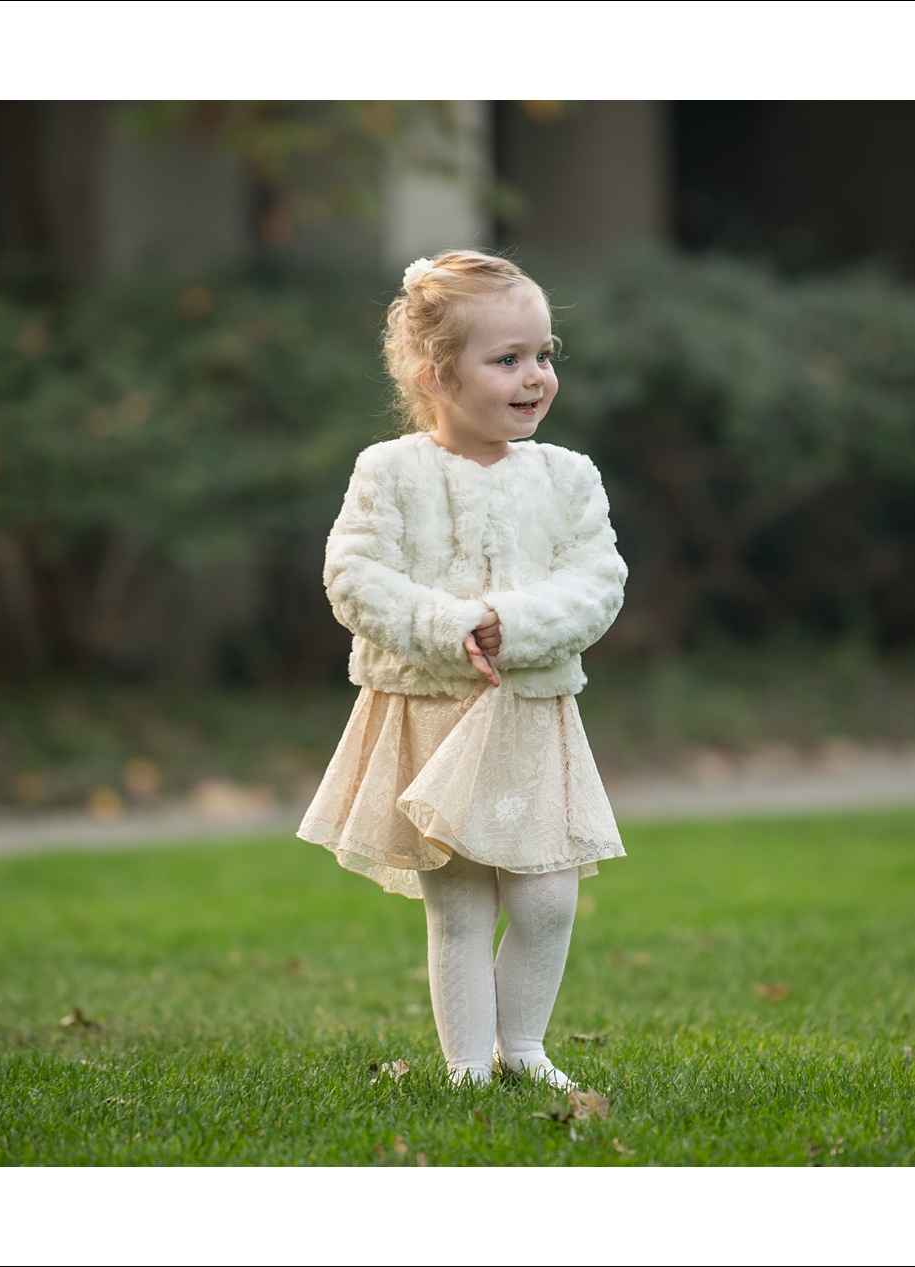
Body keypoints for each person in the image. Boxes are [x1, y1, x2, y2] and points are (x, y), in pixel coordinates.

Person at [298, 250, 628, 1089]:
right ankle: (466, 1068)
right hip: (433, 710)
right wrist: (447, 626)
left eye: (546, 355)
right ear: (436, 374)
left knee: (548, 897)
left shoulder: (567, 477)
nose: (536, 377)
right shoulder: (391, 472)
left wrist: (509, 623)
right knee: (461, 902)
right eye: (508, 359)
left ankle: (523, 1046)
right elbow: (355, 575)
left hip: (527, 711)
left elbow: (597, 579)